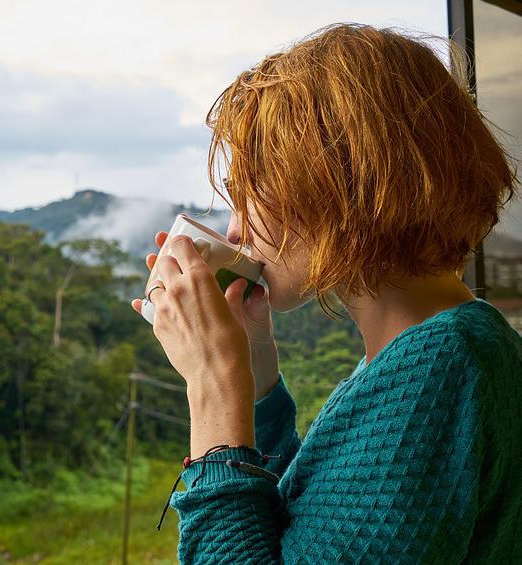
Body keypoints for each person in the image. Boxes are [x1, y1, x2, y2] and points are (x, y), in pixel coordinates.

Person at [130, 23, 521, 563]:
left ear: (332, 187)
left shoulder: (441, 367)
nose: (238, 230)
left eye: (249, 197)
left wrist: (213, 389)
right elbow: (315, 524)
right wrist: (254, 372)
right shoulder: (436, 350)